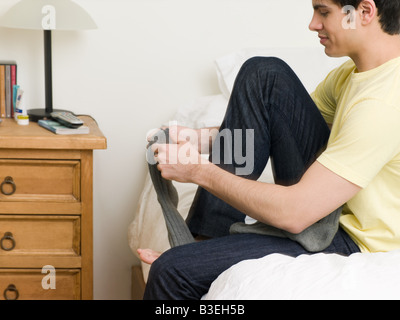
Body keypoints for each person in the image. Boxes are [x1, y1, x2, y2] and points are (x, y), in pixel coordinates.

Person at [138, 0, 400, 300]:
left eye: (324, 11)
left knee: (172, 272)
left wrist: (198, 170)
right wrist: (202, 140)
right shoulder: (353, 74)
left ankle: (194, 256)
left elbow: (295, 213)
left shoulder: (384, 104)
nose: (313, 24)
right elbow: (273, 123)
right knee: (264, 75)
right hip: (330, 208)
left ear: (364, 12)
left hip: (351, 238)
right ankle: (202, 241)